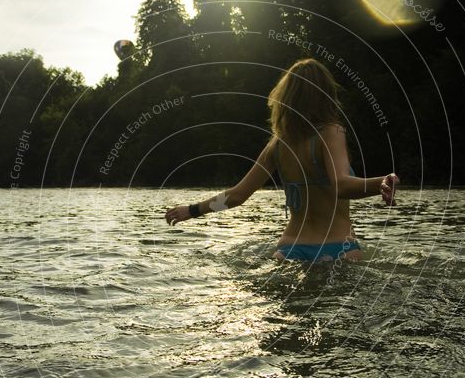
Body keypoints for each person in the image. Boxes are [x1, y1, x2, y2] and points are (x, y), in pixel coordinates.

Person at [165, 58, 399, 263]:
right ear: (326, 94)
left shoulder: (278, 145)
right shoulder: (331, 132)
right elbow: (341, 185)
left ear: (286, 98)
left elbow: (236, 196)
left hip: (289, 250)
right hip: (338, 248)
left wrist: (193, 210)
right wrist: (380, 183)